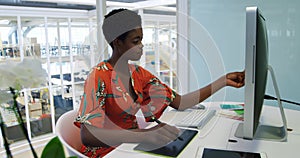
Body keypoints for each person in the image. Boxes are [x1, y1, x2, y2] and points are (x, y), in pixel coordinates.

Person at [74, 8, 245, 158]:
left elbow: (180, 102)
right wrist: (143, 135)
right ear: (118, 42)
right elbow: (88, 135)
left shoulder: (138, 74)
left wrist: (222, 81)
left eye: (141, 40)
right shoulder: (98, 75)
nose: (141, 46)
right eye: (135, 41)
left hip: (131, 147)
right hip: (108, 153)